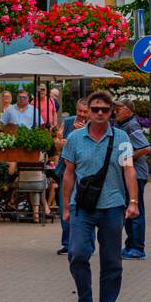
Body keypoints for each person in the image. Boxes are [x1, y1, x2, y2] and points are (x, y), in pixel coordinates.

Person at [62, 91, 138, 302]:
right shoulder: (75, 138)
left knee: (112, 260)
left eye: (104, 110)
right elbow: (68, 173)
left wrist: (133, 202)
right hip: (82, 206)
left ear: (111, 112)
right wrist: (65, 207)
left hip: (112, 206)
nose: (99, 113)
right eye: (95, 109)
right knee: (77, 254)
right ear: (89, 111)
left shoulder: (122, 138)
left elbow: (129, 170)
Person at [114, 99, 151, 259]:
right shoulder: (121, 125)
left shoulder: (131, 125)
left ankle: (137, 248)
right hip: (129, 174)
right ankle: (131, 245)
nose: (115, 110)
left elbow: (145, 148)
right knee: (129, 210)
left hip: (137, 174)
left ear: (128, 110)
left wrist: (126, 158)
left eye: (119, 108)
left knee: (136, 209)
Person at [54, 99, 90, 254]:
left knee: (86, 208)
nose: (82, 115)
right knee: (65, 207)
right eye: (80, 111)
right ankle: (67, 244)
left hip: (85, 173)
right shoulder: (67, 122)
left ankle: (86, 244)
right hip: (66, 170)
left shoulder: (92, 126)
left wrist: (78, 134)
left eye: (85, 111)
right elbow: (57, 145)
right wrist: (60, 141)